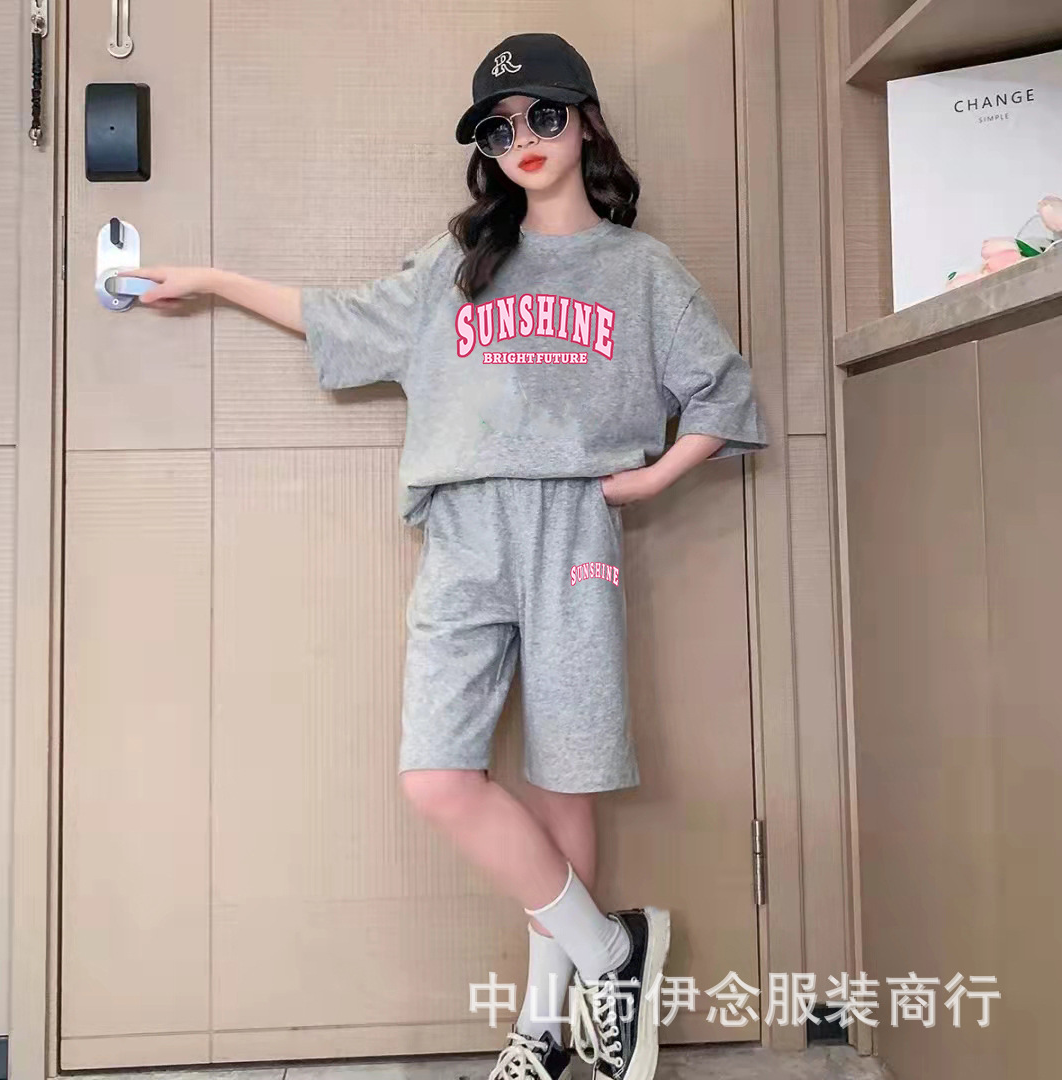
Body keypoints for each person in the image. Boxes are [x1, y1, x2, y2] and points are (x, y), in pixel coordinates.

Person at [126, 31, 768, 1080]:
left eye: (543, 116)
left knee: (567, 779)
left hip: (572, 527)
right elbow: (338, 316)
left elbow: (722, 392)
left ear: (585, 121)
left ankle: (544, 1032)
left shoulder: (641, 271)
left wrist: (649, 480)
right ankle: (615, 953)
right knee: (436, 774)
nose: (524, 140)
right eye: (499, 129)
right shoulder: (455, 266)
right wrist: (213, 279)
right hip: (464, 530)